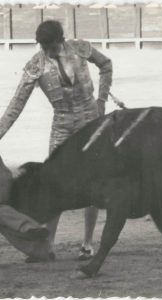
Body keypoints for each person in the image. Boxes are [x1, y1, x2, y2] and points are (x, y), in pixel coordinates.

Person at [0, 20, 113, 261]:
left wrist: (102, 99)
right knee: (52, 184)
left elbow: (106, 65)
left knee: (91, 181)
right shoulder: (36, 64)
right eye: (43, 46)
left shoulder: (80, 48)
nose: (46, 50)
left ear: (60, 40)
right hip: (61, 125)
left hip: (90, 121)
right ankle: (47, 245)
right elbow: (16, 105)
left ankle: (87, 242)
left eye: (50, 45)